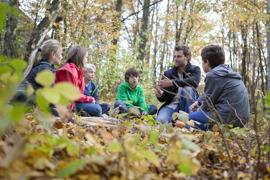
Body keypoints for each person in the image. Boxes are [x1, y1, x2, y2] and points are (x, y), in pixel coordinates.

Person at [175, 44, 250, 130]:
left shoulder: (213, 75)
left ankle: (203, 128)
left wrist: (198, 110)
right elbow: (211, 94)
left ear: (207, 62)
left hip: (225, 119)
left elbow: (208, 103)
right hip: (242, 121)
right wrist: (198, 102)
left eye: (202, 61)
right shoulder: (227, 72)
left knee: (183, 119)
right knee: (191, 118)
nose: (202, 63)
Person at [12, 39, 63, 115]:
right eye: (61, 54)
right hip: (26, 107)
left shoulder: (44, 67)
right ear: (53, 54)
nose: (62, 57)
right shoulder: (44, 69)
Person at [154, 45, 201, 124]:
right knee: (160, 121)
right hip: (172, 105)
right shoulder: (168, 73)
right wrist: (161, 95)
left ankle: (189, 121)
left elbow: (194, 82)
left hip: (189, 106)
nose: (175, 59)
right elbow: (164, 98)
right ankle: (176, 121)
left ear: (187, 57)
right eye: (175, 56)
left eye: (179, 56)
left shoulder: (195, 69)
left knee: (187, 89)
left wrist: (173, 82)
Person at [55, 45, 94, 113]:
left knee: (101, 107)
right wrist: (89, 99)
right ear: (79, 58)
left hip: (72, 104)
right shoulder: (68, 71)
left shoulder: (76, 70)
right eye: (86, 57)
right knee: (97, 110)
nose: (86, 60)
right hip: (64, 107)